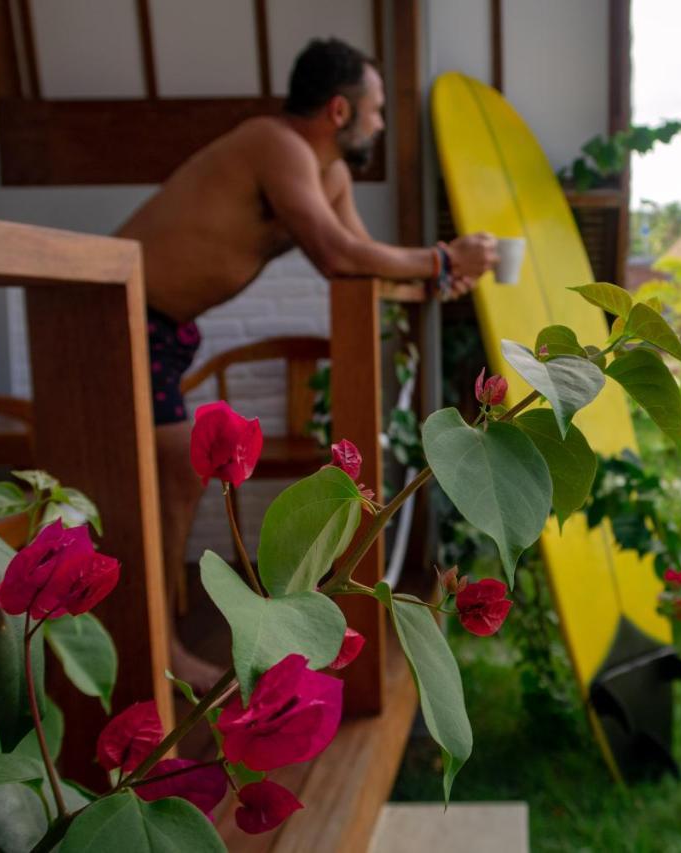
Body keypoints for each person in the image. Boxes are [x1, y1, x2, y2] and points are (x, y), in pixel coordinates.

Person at [116, 38, 497, 687]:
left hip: (164, 325)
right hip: (118, 307)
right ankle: (154, 646)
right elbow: (335, 253)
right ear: (340, 112)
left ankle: (152, 639)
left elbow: (362, 253)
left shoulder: (331, 174)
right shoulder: (276, 143)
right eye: (376, 110)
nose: (380, 122)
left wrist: (434, 279)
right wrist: (440, 259)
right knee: (161, 474)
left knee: (172, 473)